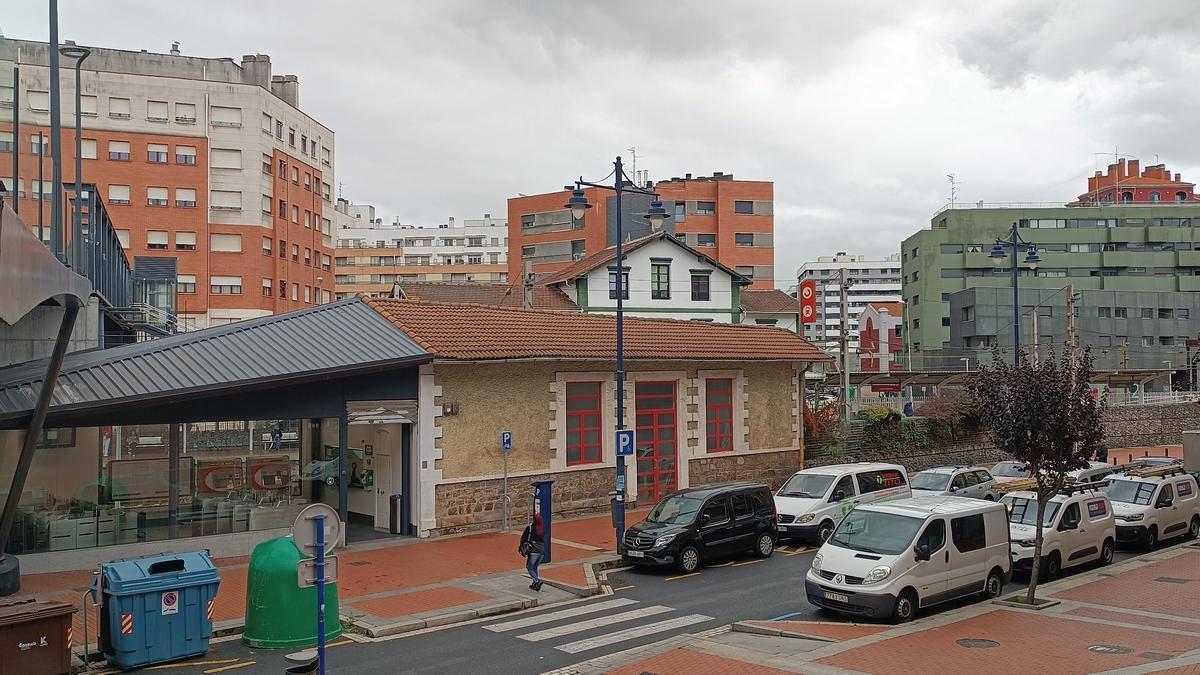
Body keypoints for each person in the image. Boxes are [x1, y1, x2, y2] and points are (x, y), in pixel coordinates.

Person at [519, 513, 545, 591]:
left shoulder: (530, 528)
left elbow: (524, 538)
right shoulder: (542, 528)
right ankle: (534, 584)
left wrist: (521, 548)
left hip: (533, 550)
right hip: (541, 550)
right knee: (535, 567)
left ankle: (537, 581)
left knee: (529, 567)